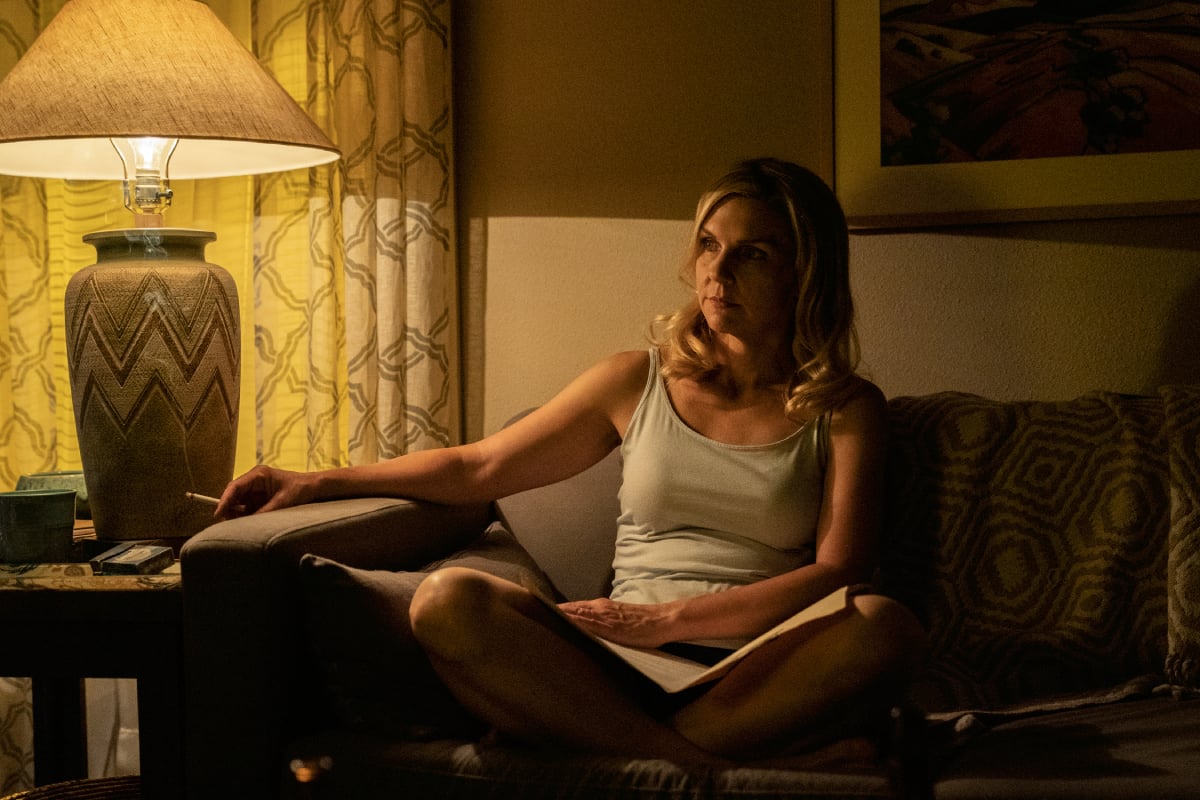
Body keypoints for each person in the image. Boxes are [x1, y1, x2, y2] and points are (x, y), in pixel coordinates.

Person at [216, 157, 926, 766]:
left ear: (805, 270)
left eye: (754, 254)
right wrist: (313, 480)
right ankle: (696, 765)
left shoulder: (845, 407)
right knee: (446, 601)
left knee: (884, 624)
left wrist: (670, 619)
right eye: (709, 245)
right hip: (613, 662)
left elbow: (839, 571)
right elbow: (479, 468)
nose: (718, 272)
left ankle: (622, 748)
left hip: (755, 670)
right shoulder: (635, 379)